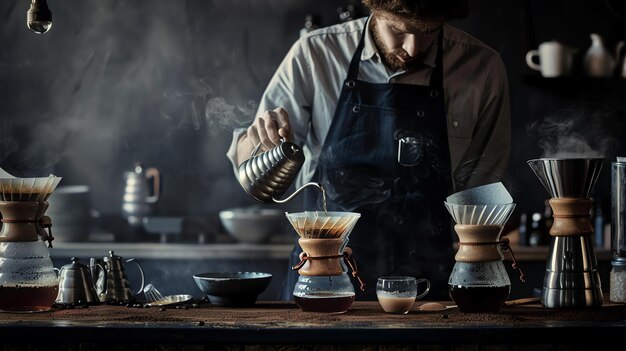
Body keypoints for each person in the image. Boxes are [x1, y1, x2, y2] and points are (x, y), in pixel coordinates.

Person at [226, 0, 511, 300]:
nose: (413, 48)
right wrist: (260, 140)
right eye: (399, 31)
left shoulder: (481, 68)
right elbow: (247, 159)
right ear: (374, 10)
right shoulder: (315, 54)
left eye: (429, 32)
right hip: (322, 283)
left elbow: (483, 199)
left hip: (429, 291)